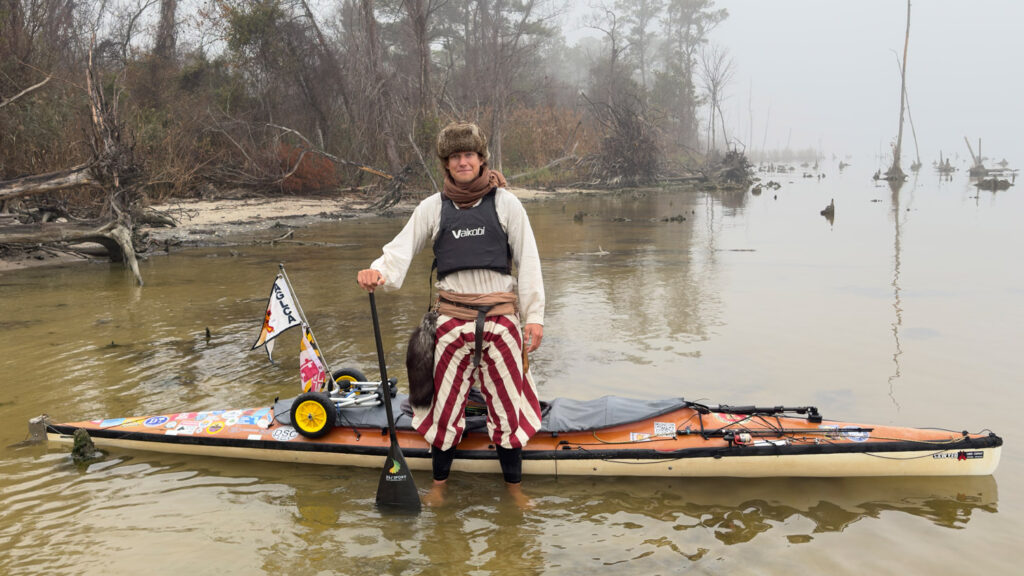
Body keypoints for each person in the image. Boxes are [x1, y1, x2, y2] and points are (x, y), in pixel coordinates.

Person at [356, 121, 544, 506]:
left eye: (469, 155)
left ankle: (515, 491)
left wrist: (535, 317)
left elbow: (530, 262)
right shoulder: (432, 208)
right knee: (443, 411)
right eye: (455, 156)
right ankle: (439, 487)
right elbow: (399, 250)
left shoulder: (507, 204)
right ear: (446, 163)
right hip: (450, 320)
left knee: (509, 409)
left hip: (501, 320)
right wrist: (378, 272)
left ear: (481, 160)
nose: (463, 162)